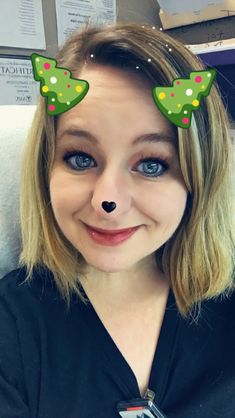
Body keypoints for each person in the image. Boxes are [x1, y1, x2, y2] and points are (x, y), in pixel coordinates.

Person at [0, 21, 234, 418]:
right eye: (80, 158)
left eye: (153, 165)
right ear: (46, 169)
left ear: (199, 178)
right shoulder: (12, 329)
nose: (107, 200)